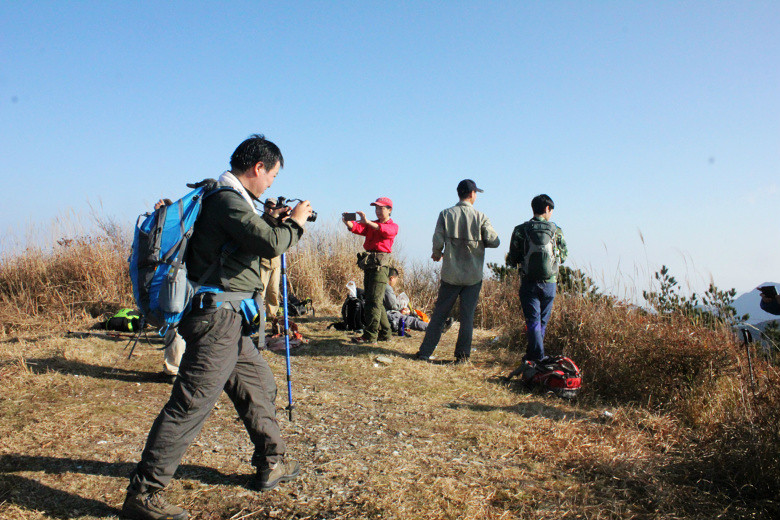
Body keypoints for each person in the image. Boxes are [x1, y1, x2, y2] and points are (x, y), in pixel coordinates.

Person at [122, 135, 313, 520]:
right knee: (190, 404)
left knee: (260, 386)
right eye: (272, 175)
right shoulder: (225, 199)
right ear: (257, 168)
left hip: (229, 320)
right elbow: (270, 244)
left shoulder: (233, 201)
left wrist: (271, 219)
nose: (272, 183)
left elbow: (246, 240)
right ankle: (144, 494)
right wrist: (295, 223)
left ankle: (271, 461)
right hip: (216, 321)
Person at [415, 179, 500, 364]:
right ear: (472, 194)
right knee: (467, 318)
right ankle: (462, 357)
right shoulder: (481, 217)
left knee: (439, 315)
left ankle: (425, 352)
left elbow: (437, 239)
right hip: (473, 276)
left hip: (450, 274)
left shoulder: (445, 214)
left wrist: (437, 253)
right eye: (476, 193)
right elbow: (495, 241)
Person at [506, 194, 568, 364]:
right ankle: (536, 357)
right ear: (547, 209)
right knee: (541, 322)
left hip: (529, 282)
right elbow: (564, 255)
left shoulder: (521, 229)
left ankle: (536, 358)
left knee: (533, 321)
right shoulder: (557, 230)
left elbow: (513, 258)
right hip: (550, 283)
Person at [342, 197, 399, 346]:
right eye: (376, 208)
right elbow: (359, 228)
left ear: (389, 210)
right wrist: (349, 224)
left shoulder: (393, 226)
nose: (378, 211)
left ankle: (370, 335)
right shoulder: (373, 224)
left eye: (381, 208)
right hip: (370, 265)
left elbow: (384, 230)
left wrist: (367, 222)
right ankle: (385, 333)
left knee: (373, 302)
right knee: (375, 300)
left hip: (380, 267)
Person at [383, 267, 440, 333]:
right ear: (391, 278)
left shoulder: (379, 285)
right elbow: (393, 305)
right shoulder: (387, 288)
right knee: (412, 321)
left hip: (388, 313)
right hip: (390, 315)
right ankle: (436, 328)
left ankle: (436, 326)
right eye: (396, 279)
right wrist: (402, 305)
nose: (395, 282)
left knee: (413, 318)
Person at [258, 197, 284, 322]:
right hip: (262, 261)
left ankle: (272, 316)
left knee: (273, 291)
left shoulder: (279, 221)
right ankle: (257, 315)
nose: (269, 209)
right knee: (260, 291)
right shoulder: (260, 220)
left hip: (275, 261)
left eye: (272, 207)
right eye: (267, 206)